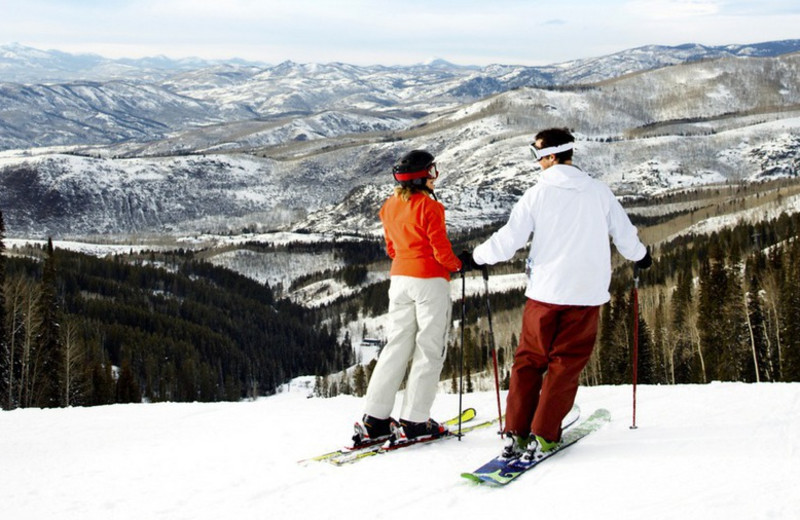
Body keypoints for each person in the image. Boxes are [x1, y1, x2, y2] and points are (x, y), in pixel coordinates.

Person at [461, 128, 652, 461]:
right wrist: (641, 256)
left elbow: (509, 240)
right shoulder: (598, 192)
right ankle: (545, 433)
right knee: (565, 365)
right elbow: (625, 235)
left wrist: (474, 258)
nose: (536, 161)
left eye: (537, 154)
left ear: (551, 156)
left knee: (529, 360)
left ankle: (516, 431)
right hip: (585, 294)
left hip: (545, 292)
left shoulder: (537, 194)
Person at [356, 149, 463, 445]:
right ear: (420, 177)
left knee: (397, 345)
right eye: (431, 171)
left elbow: (391, 249)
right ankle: (415, 420)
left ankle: (374, 419)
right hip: (429, 280)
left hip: (399, 279)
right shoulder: (430, 207)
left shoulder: (389, 206)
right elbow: (441, 249)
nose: (433, 177)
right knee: (429, 347)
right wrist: (458, 264)